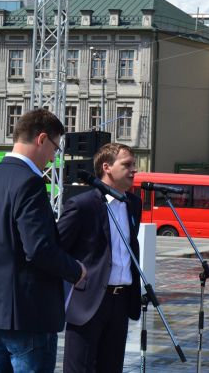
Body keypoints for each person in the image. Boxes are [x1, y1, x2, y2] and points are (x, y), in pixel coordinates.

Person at [0, 109, 86, 373]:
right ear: (41, 139)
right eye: (55, 148)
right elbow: (39, 248)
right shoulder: (29, 183)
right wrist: (76, 270)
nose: (53, 157)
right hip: (27, 311)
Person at [58, 142, 142, 373]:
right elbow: (56, 249)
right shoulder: (82, 205)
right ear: (106, 167)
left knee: (111, 367)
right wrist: (75, 275)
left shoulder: (133, 204)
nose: (133, 170)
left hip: (121, 300)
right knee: (80, 368)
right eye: (127, 165)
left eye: (134, 165)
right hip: (89, 301)